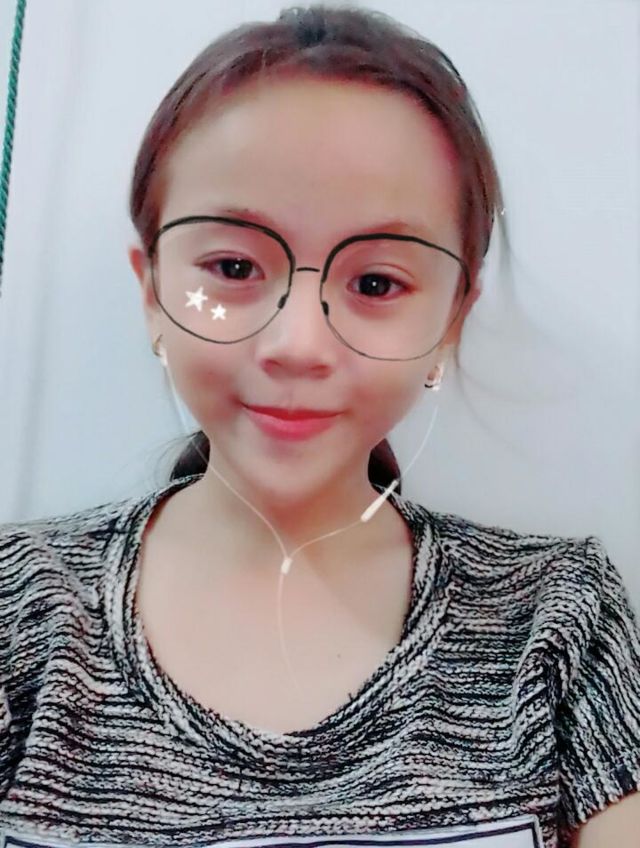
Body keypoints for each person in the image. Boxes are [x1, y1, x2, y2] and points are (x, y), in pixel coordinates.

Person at [0, 5, 639, 848]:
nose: (298, 344)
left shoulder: (556, 621)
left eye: (376, 284)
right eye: (233, 267)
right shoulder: (20, 609)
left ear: (453, 316)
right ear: (153, 292)